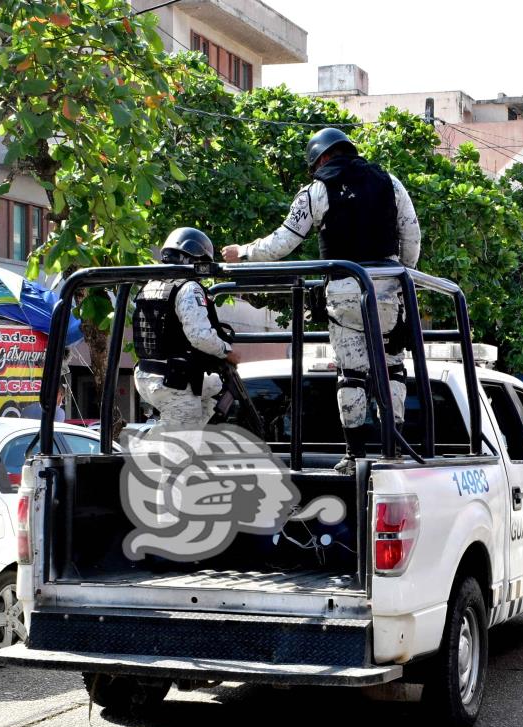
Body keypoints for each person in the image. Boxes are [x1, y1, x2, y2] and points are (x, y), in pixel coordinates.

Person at [221, 127, 420, 472]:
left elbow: (282, 242)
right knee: (392, 367)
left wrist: (243, 252)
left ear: (320, 158)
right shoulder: (391, 182)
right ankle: (393, 446)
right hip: (388, 291)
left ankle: (355, 455)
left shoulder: (316, 190)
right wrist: (400, 276)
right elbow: (412, 236)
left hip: (344, 292)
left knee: (352, 374)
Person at [133, 227, 238, 428]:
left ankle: (181, 430)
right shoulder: (188, 287)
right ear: (192, 259)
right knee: (180, 456)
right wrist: (227, 351)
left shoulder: (150, 284)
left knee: (217, 385)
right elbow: (200, 337)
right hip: (173, 382)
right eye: (202, 264)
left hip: (146, 376)